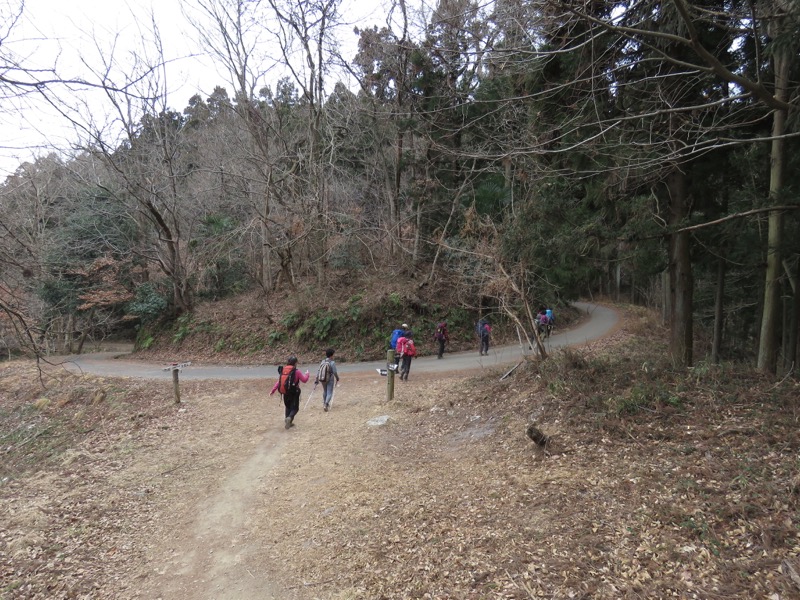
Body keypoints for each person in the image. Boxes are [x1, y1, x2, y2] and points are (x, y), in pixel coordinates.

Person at [270, 356, 310, 429]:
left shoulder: (283, 370)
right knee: (295, 408)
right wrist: (307, 374)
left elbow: (279, 382)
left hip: (285, 391)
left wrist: (273, 390)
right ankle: (289, 418)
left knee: (288, 406)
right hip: (294, 391)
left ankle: (288, 422)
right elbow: (304, 380)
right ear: (295, 363)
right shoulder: (296, 371)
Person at [315, 347, 340, 412]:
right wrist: (337, 378)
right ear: (331, 355)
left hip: (322, 379)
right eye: (333, 354)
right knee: (329, 392)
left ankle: (324, 403)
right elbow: (334, 372)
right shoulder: (332, 363)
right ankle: (326, 404)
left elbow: (319, 370)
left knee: (325, 391)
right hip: (330, 379)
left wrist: (317, 378)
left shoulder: (323, 361)